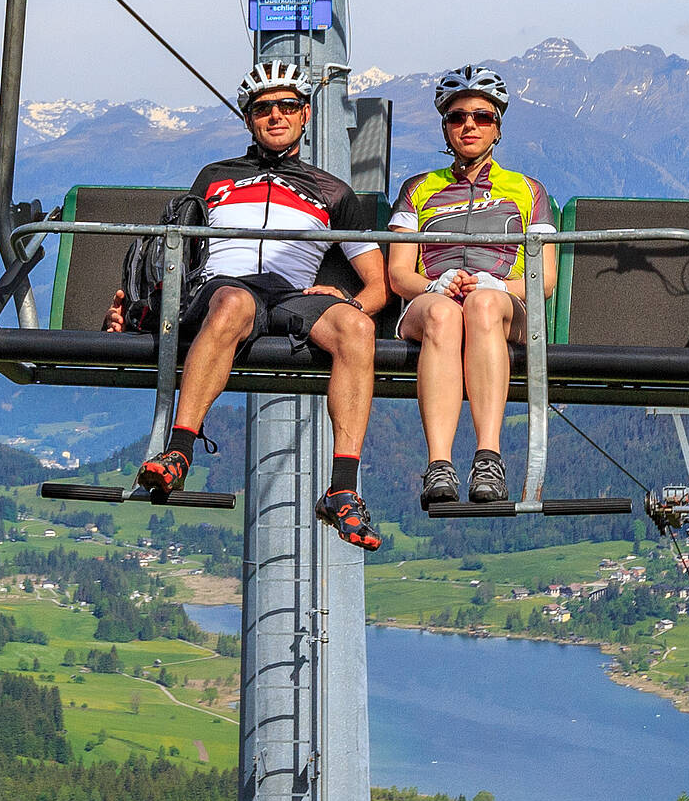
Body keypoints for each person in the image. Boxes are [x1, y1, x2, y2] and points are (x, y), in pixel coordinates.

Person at [104, 60, 388, 549]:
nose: (275, 116)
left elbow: (378, 286)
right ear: (248, 118)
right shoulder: (215, 176)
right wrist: (135, 310)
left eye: (287, 106)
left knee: (358, 330)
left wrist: (348, 298)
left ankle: (342, 490)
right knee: (234, 302)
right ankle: (178, 453)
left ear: (305, 114)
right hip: (223, 288)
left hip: (292, 295)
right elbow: (172, 252)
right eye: (263, 109)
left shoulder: (332, 192)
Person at [386, 65, 555, 508]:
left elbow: (546, 280)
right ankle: (439, 465)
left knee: (480, 305)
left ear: (498, 127)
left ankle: (488, 458)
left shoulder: (527, 190)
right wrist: (434, 283)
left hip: (502, 303)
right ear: (444, 126)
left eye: (482, 117)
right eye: (457, 117)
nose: (469, 126)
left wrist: (496, 283)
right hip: (432, 301)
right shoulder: (418, 188)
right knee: (444, 312)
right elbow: (399, 274)